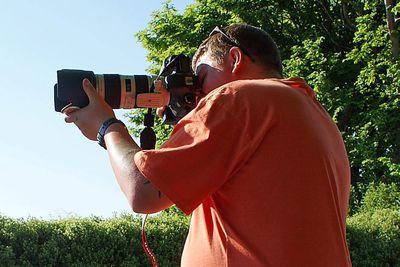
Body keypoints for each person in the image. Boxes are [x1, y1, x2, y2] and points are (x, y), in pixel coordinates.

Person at [64, 24, 352, 266]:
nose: (200, 95)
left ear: (235, 59)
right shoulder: (314, 113)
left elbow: (144, 190)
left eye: (200, 79)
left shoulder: (240, 97)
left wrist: (106, 126)